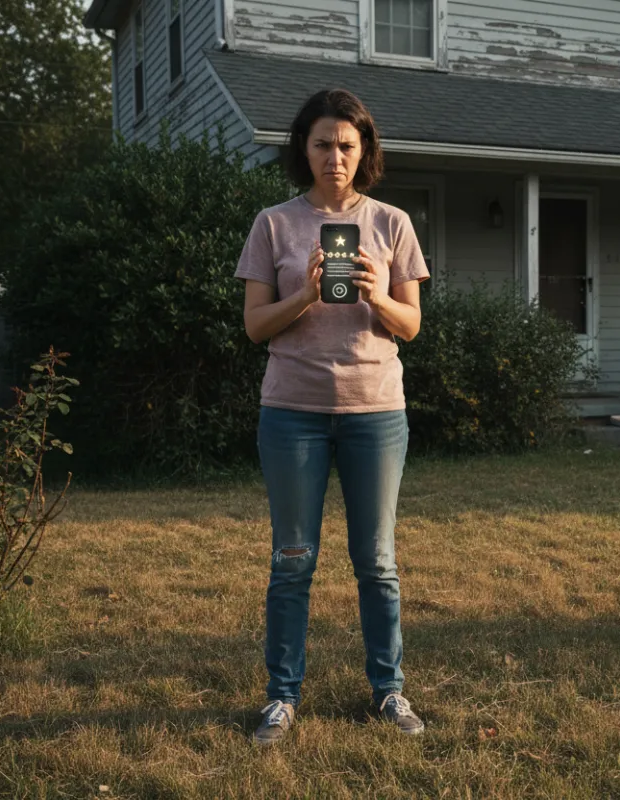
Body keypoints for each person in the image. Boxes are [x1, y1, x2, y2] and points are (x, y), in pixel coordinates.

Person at [234, 88, 430, 746]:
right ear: (304, 149)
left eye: (347, 145)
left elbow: (410, 327)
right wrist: (305, 294)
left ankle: (389, 691)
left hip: (376, 413)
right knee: (293, 559)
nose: (335, 157)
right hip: (293, 412)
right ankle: (282, 698)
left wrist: (375, 292)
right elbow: (256, 327)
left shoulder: (392, 224)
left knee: (376, 562)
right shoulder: (274, 225)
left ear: (364, 151)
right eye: (322, 144)